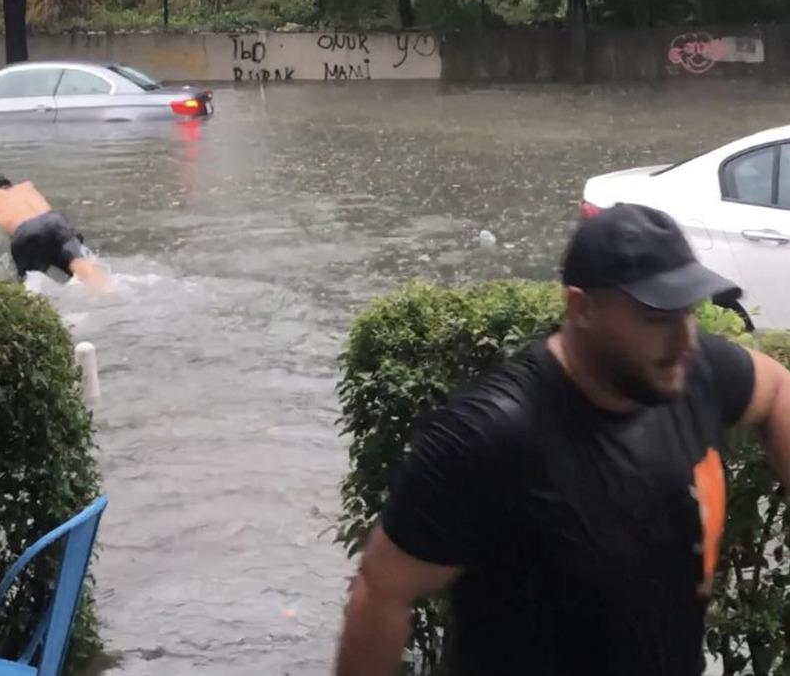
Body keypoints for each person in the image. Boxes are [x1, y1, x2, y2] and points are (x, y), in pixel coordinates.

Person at [334, 203, 790, 676]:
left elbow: (776, 390)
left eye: (688, 312)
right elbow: (382, 590)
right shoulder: (491, 434)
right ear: (582, 307)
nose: (683, 340)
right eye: (656, 319)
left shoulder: (693, 375)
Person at [0, 176, 110, 292]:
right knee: (83, 268)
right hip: (56, 222)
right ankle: (108, 293)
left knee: (29, 287)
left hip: (27, 231)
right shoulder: (26, 186)